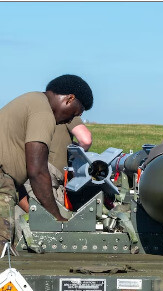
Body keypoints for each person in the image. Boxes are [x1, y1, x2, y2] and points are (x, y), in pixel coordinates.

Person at [0, 74, 93, 248]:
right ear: (69, 98)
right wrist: (57, 219)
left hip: (7, 183)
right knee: (3, 254)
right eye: (74, 114)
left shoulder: (32, 101)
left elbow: (14, 179)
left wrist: (39, 212)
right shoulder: (43, 112)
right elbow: (38, 171)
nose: (69, 120)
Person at [18, 117, 92, 212]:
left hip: (29, 169)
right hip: (48, 172)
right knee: (51, 220)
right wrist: (74, 156)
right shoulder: (68, 111)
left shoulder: (33, 111)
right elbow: (86, 140)